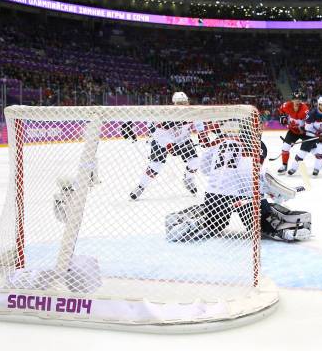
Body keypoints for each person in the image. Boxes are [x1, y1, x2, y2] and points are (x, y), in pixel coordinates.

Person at [165, 141, 311, 242]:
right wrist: (283, 194)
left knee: (215, 223)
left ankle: (189, 220)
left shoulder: (220, 143)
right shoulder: (254, 150)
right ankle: (284, 230)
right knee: (260, 220)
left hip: (214, 194)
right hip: (243, 198)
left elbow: (204, 169)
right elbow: (256, 180)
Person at [129, 92, 208, 200]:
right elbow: (158, 133)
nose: (182, 105)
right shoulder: (166, 115)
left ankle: (188, 179)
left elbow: (199, 123)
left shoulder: (192, 112)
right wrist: (169, 145)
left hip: (183, 140)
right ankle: (141, 186)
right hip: (161, 141)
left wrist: (202, 135)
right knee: (155, 166)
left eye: (184, 102)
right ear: (174, 104)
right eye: (179, 103)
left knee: (195, 161)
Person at [287, 96, 322, 176]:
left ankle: (316, 169)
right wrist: (317, 134)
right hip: (312, 134)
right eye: (321, 105)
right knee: (302, 152)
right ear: (318, 104)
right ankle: (294, 168)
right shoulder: (312, 114)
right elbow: (307, 127)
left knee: (321, 150)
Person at [277, 90, 309, 174]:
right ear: (292, 100)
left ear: (301, 101)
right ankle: (284, 166)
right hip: (292, 131)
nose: (297, 101)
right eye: (295, 99)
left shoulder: (305, 109)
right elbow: (281, 110)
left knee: (315, 150)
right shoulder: (286, 105)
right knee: (285, 148)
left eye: (299, 99)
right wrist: (282, 117)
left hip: (304, 133)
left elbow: (309, 122)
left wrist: (305, 129)